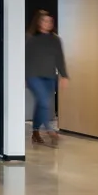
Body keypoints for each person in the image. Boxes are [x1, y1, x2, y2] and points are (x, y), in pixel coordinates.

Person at [26, 10, 68, 147]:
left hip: (49, 76)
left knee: (41, 103)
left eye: (50, 21)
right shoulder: (30, 38)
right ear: (38, 22)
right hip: (33, 76)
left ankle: (36, 131)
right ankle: (50, 129)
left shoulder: (55, 40)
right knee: (44, 100)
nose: (48, 23)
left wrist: (64, 75)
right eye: (44, 21)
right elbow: (24, 58)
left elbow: (59, 58)